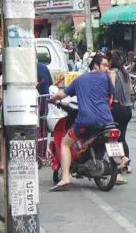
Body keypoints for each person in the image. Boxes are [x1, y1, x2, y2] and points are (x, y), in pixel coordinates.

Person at [49, 53, 115, 191]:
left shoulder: (80, 79)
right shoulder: (106, 77)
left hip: (86, 120)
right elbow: (111, 93)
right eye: (104, 65)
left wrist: (52, 99)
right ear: (96, 65)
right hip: (107, 119)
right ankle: (120, 163)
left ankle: (66, 177)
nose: (106, 68)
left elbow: (61, 95)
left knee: (65, 143)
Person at [109, 51, 132, 183]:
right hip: (128, 109)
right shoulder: (126, 73)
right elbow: (131, 89)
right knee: (122, 136)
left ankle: (118, 165)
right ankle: (126, 164)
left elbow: (111, 90)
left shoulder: (113, 72)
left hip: (117, 108)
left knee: (114, 138)